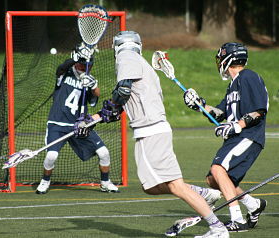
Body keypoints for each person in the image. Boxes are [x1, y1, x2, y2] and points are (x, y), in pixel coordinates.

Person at [77, 31, 229, 238]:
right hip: (150, 130)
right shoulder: (139, 63)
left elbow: (122, 93)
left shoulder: (126, 57)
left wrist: (101, 113)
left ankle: (217, 229)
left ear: (118, 46)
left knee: (175, 185)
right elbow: (122, 104)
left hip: (150, 130)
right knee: (151, 187)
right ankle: (202, 193)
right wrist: (95, 118)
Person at [183, 42, 269, 232]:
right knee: (213, 180)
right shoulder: (233, 85)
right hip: (236, 138)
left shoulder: (248, 77)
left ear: (228, 59)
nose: (219, 62)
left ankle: (237, 220)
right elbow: (219, 113)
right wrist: (199, 104)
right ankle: (253, 204)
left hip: (249, 135)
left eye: (221, 58)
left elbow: (259, 111)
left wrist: (237, 125)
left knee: (218, 169)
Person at [35, 42, 119, 194]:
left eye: (88, 65)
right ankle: (45, 181)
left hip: (79, 125)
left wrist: (93, 87)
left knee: (104, 153)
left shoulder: (89, 79)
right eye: (82, 64)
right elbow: (61, 67)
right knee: (51, 155)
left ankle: (105, 182)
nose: (85, 67)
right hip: (58, 123)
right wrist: (75, 59)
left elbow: (95, 99)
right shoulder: (65, 73)